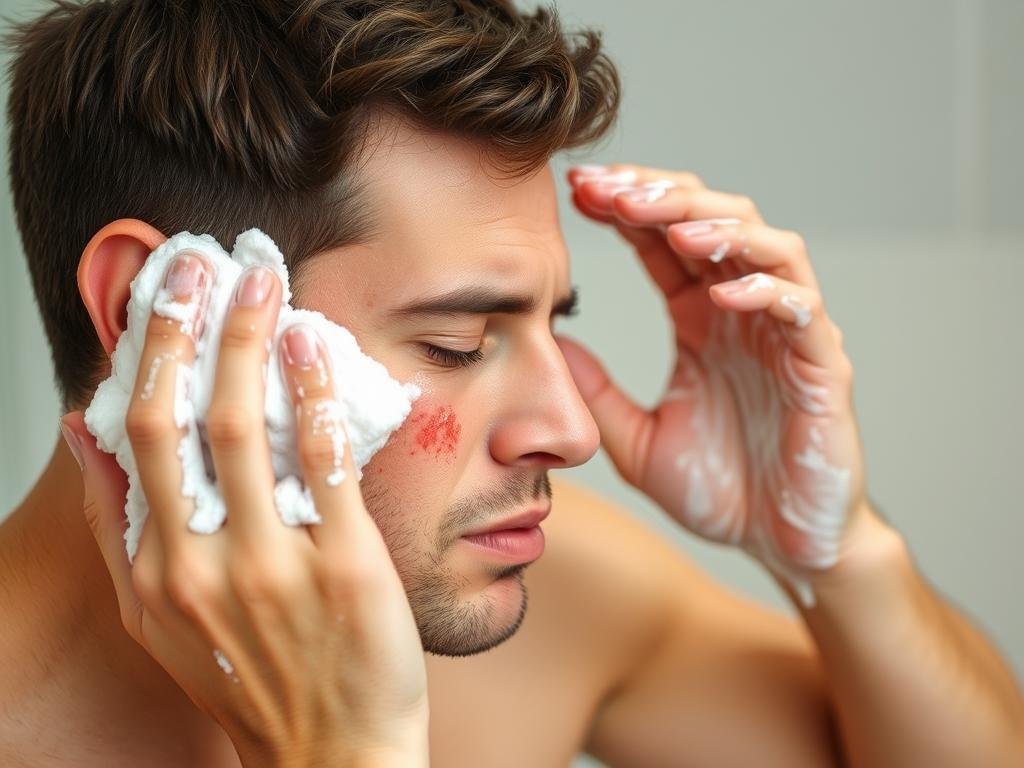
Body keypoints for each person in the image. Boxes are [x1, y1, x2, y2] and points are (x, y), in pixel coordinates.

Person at [2, 1, 1022, 766]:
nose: (572, 431)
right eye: (455, 342)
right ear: (164, 307)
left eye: (550, 323)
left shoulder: (554, 588)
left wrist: (838, 554)